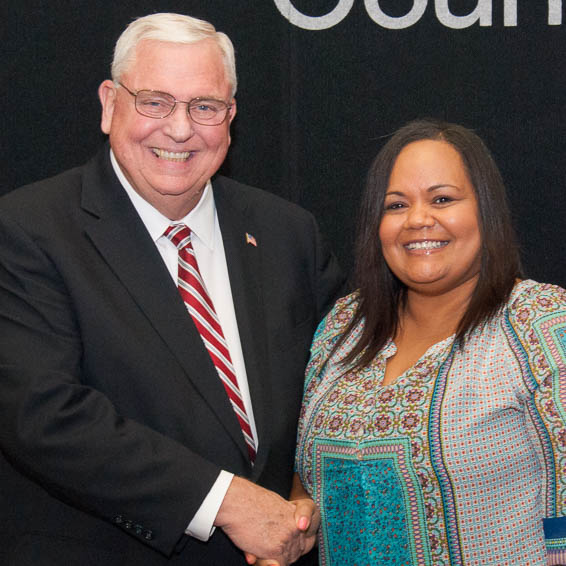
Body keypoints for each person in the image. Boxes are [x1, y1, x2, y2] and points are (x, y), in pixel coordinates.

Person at [0, 12, 344, 566]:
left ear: (230, 118)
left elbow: (340, 384)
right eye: (155, 101)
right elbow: (44, 415)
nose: (180, 129)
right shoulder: (26, 231)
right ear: (110, 104)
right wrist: (225, 502)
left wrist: (309, 490)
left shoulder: (288, 233)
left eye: (204, 107)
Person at [294, 118, 566, 565]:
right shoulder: (344, 328)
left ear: (486, 211)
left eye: (442, 199)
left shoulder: (541, 323)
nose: (418, 220)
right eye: (396, 205)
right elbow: (305, 484)